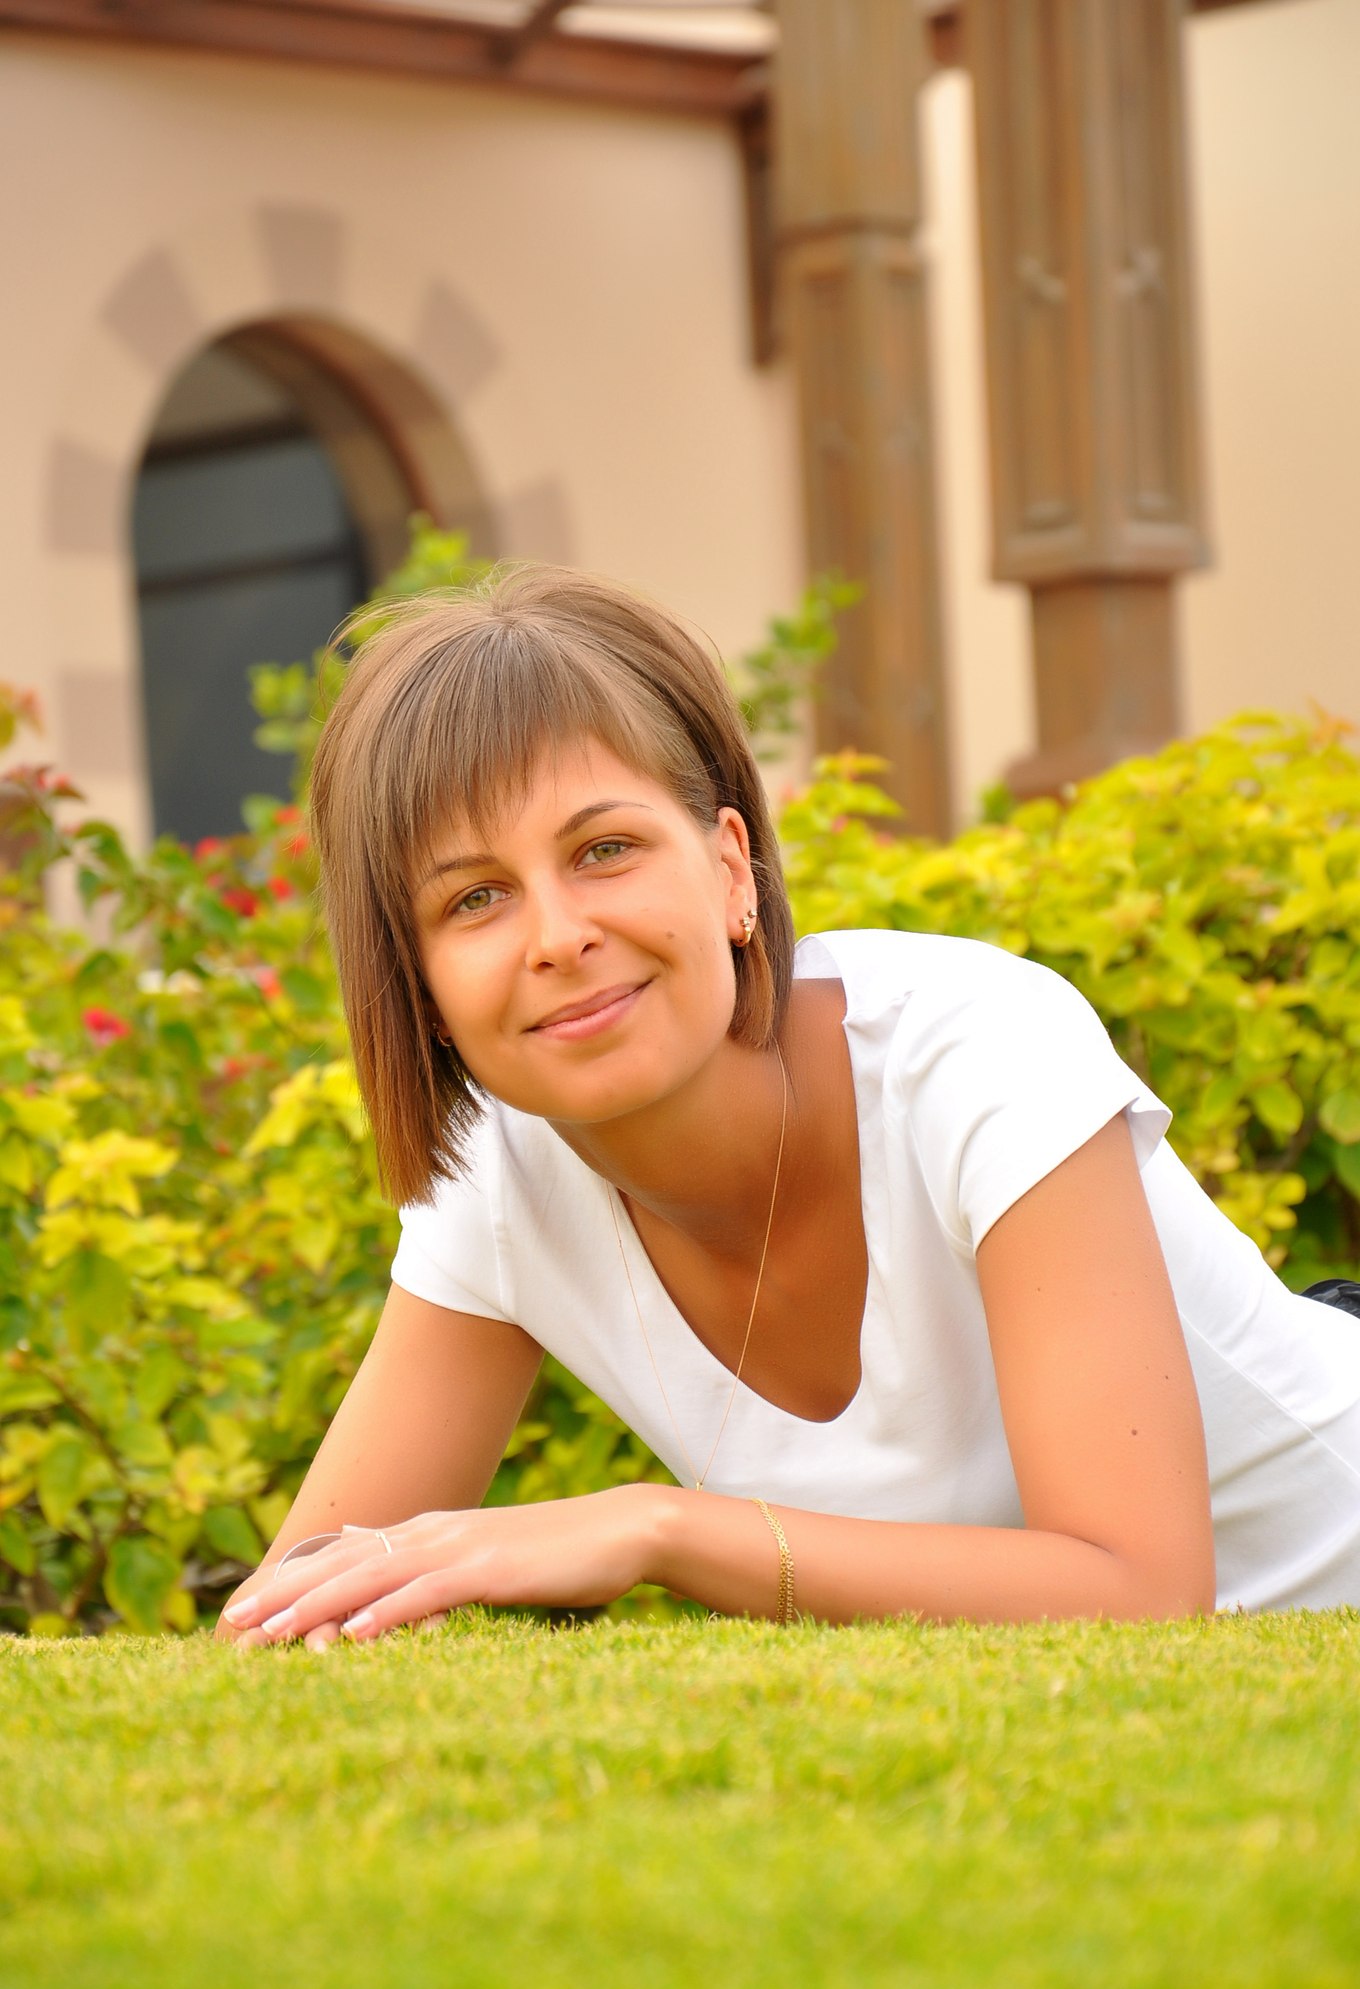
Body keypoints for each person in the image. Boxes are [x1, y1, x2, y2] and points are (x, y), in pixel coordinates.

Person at [219, 567, 1360, 1652]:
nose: (557, 937)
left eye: (605, 849)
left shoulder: (970, 1051)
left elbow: (1143, 1592)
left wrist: (655, 1527)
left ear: (729, 869)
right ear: (418, 987)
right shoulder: (501, 1184)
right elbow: (301, 1604)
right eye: (476, 898)